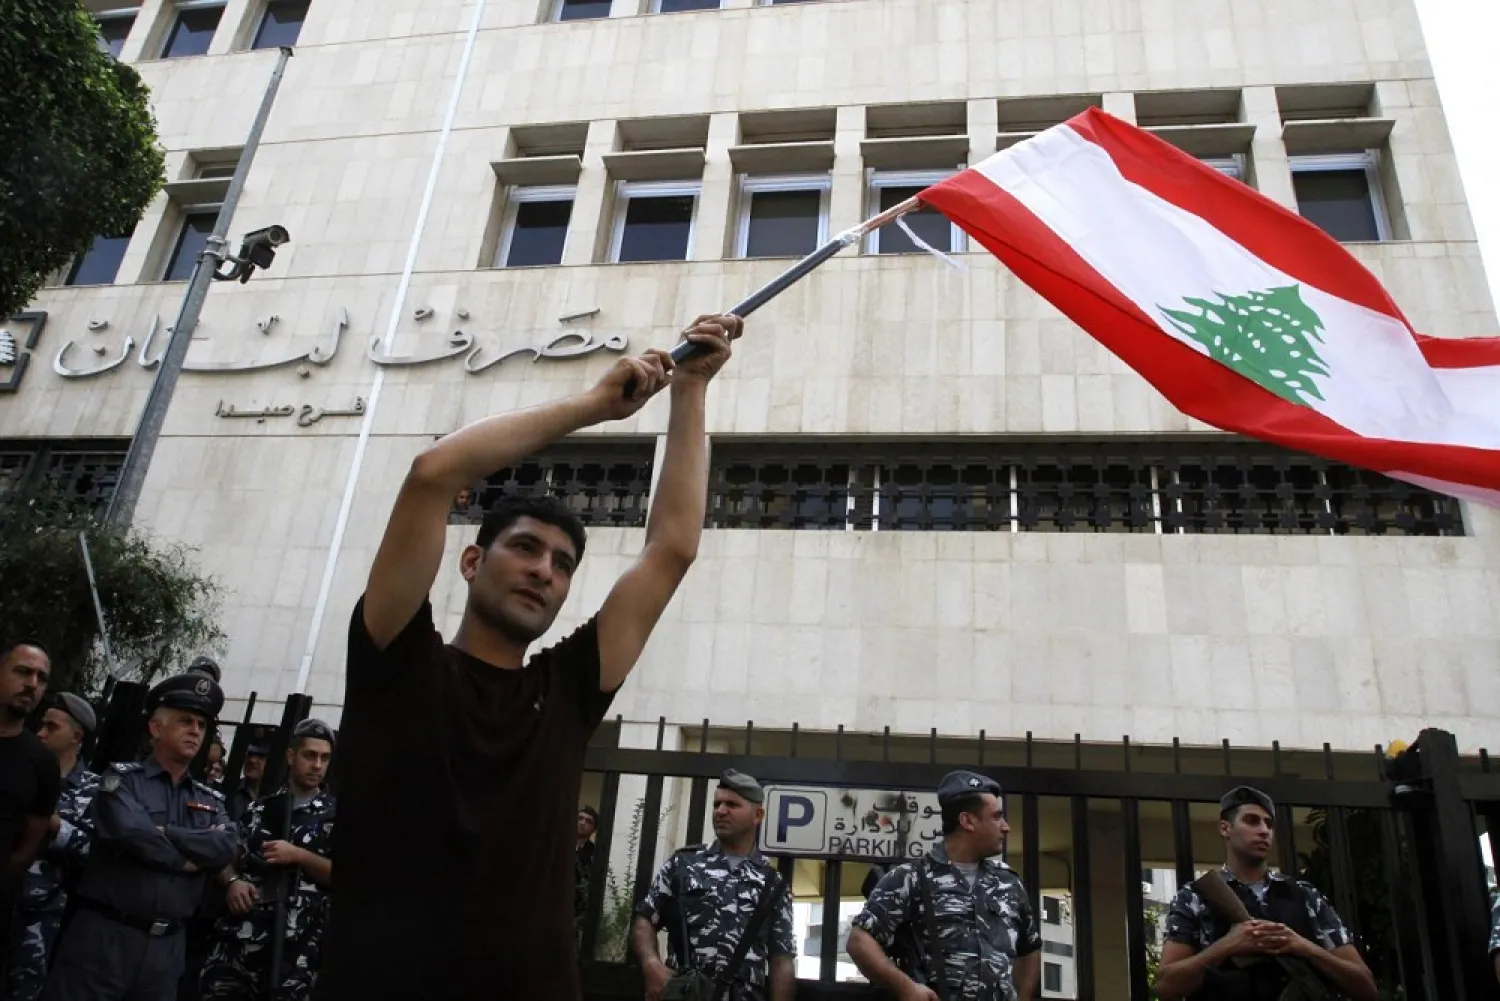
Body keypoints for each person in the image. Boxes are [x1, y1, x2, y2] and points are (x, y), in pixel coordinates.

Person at [314, 317, 741, 1001]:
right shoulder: (396, 657)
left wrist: (689, 389)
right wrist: (597, 405)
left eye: (563, 563)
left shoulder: (567, 689)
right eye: (526, 548)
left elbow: (671, 550)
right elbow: (432, 473)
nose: (545, 569)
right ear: (473, 559)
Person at [43, 672, 238, 1001]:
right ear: (156, 728)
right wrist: (189, 858)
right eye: (185, 721)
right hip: (105, 940)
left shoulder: (211, 799)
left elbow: (225, 847)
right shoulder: (121, 780)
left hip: (166, 950)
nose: (195, 731)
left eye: (202, 726)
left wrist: (166, 833)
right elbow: (130, 833)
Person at [1155, 786, 1377, 1001]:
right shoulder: (1194, 897)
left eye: (1269, 824)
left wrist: (1302, 946)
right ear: (1225, 829)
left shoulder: (1305, 896)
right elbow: (1166, 986)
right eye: (1251, 821)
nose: (1264, 830)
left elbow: (1365, 986)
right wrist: (1227, 946)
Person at [847, 771, 1041, 1001]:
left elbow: (1029, 948)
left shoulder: (1008, 881)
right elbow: (859, 942)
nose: (1006, 827)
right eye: (997, 817)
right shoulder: (911, 878)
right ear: (967, 821)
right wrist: (906, 987)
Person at [200, 718, 336, 1001]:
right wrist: (233, 882)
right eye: (310, 755)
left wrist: (299, 855)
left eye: (325, 758)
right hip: (239, 946)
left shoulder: (336, 817)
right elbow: (224, 857)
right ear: (291, 755)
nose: (317, 765)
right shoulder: (259, 808)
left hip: (296, 955)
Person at [634, 770, 795, 1001]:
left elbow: (782, 960)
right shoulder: (683, 863)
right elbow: (645, 919)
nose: (720, 811)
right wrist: (652, 966)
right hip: (686, 994)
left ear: (757, 815)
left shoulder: (773, 884)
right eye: (717, 803)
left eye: (731, 804)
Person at [9, 693, 100, 1001]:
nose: (41, 733)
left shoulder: (95, 790)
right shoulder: (21, 770)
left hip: (43, 915)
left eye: (52, 727)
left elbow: (95, 852)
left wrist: (53, 824)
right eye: (41, 725)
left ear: (76, 736)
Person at [0, 642, 61, 989]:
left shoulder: (41, 763)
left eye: (41, 678)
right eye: (23, 672)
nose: (32, 684)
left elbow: (30, 842)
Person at [226, 743, 267, 824]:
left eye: (261, 757)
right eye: (249, 754)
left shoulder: (280, 797)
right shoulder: (230, 791)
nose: (252, 760)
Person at [575, 805, 599, 930]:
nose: (582, 823)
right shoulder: (560, 844)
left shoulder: (595, 854)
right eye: (580, 818)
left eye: (588, 821)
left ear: (593, 829)